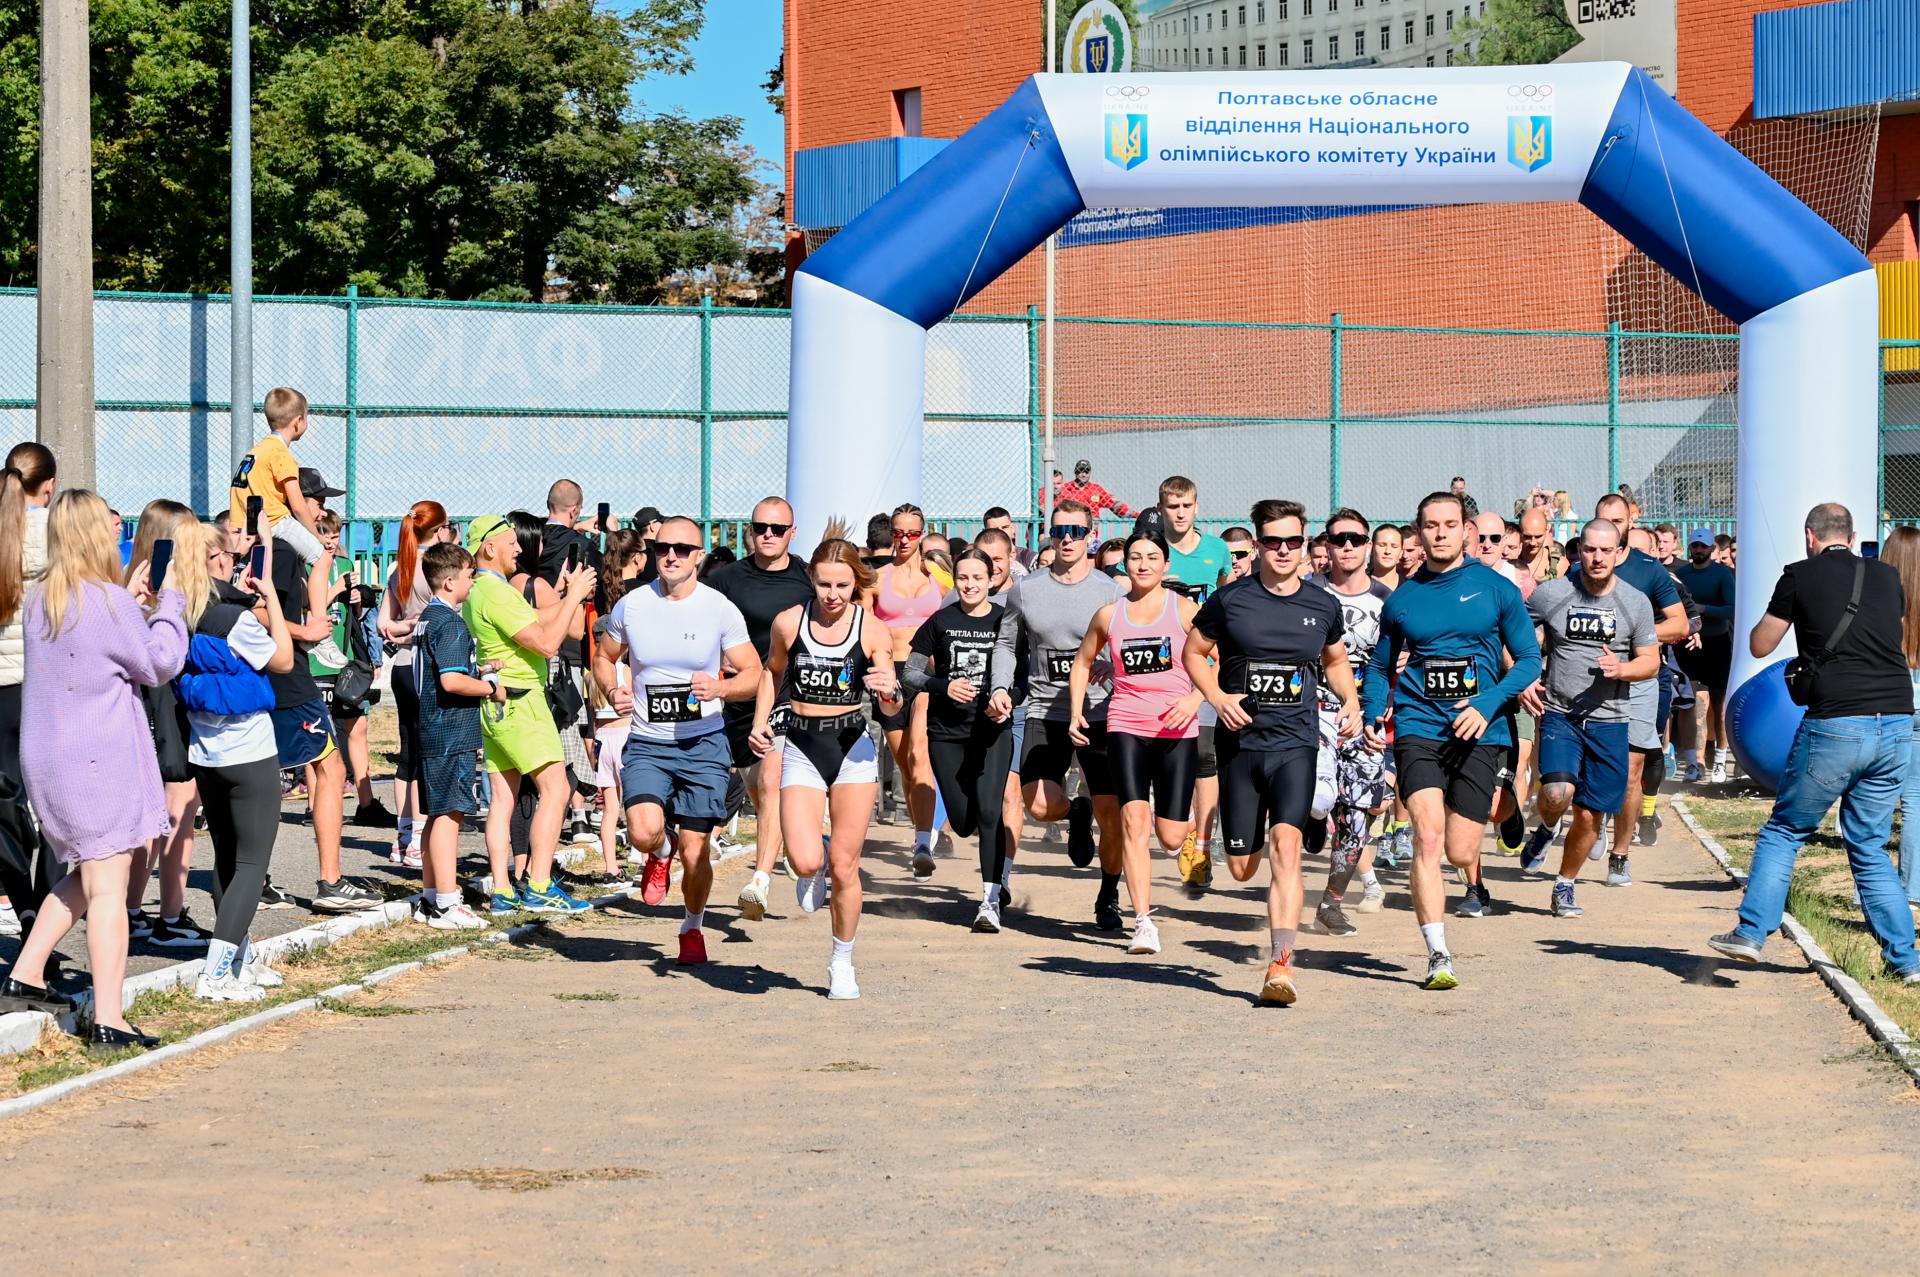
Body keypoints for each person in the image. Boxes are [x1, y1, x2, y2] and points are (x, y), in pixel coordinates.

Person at [0, 490, 187, 1050]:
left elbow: (93, 650)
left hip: (50, 759)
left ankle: (26, 972)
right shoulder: (106, 602)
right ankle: (110, 1018)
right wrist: (169, 602)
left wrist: (129, 602)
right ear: (93, 535)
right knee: (108, 889)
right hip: (95, 758)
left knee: (85, 873)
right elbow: (159, 663)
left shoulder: (43, 601)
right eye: (110, 527)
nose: (116, 534)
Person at [1709, 503, 1920, 980]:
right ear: (1853, 534)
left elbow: (1760, 645)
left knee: (1785, 831)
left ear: (1810, 536)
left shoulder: (1798, 575)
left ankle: (1750, 934)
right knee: (1868, 843)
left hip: (1837, 723)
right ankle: (1906, 961)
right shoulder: (1887, 577)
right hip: (1895, 722)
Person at [1362, 490, 1541, 991]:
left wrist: (1486, 704)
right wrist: (1377, 711)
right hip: (1420, 725)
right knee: (1428, 835)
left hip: (1482, 730)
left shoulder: (1496, 588)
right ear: (1418, 533)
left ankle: (1508, 807)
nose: (1439, 533)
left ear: (1465, 530)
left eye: (1449, 524)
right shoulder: (1401, 599)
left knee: (1463, 852)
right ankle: (1438, 953)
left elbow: (1528, 659)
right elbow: (1379, 667)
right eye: (1430, 526)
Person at [1185, 499, 1359, 1004]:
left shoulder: (1322, 605)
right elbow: (1192, 653)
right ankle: (1223, 836)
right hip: (1240, 745)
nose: (1284, 550)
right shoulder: (1230, 600)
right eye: (1273, 541)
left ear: (1306, 545)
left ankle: (1280, 967)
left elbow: (1335, 659)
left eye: (1294, 541)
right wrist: (1216, 696)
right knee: (1243, 868)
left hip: (1296, 742)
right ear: (1257, 544)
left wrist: (1349, 698)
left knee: (1287, 848)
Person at [594, 516, 760, 965]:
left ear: (699, 557)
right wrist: (613, 689)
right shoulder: (632, 606)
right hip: (649, 742)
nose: (671, 555)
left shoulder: (719, 608)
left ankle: (692, 926)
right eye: (664, 547)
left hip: (703, 743)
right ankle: (658, 851)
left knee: (696, 850)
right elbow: (604, 657)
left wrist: (721, 688)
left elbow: (753, 673)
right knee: (644, 831)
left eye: (683, 549)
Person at [754, 534, 902, 999]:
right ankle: (810, 868)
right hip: (800, 741)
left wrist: (888, 688)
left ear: (856, 584)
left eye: (842, 586)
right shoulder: (788, 623)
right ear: (811, 581)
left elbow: (892, 704)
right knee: (805, 860)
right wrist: (762, 722)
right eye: (823, 585)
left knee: (845, 864)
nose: (832, 596)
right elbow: (771, 672)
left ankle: (842, 961)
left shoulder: (872, 629)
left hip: (852, 748)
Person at [988, 499, 1130, 931]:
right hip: (1045, 708)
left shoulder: (1111, 591)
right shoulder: (1026, 590)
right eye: (1059, 530)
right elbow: (1007, 645)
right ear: (1049, 534)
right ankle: (1074, 812)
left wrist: (1114, 667)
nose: (1067, 537)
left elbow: (1131, 643)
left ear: (1092, 535)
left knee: (1113, 813)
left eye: (1075, 530)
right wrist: (999, 685)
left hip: (1099, 710)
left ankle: (1108, 894)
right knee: (1039, 805)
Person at [172, 521, 297, 999]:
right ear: (216, 560)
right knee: (251, 863)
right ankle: (217, 973)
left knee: (226, 856)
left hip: (205, 752)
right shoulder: (235, 619)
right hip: (248, 752)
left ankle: (240, 957)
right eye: (227, 555)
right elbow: (282, 660)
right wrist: (272, 600)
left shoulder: (176, 613)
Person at [1069, 530, 1202, 956]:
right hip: (1125, 723)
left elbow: (1218, 661)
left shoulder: (1184, 611)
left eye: (1152, 557)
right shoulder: (1110, 615)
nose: (1143, 564)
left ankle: (1190, 828)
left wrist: (1194, 698)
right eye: (1135, 557)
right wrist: (1076, 711)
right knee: (1132, 822)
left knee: (1168, 835)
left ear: (1165, 565)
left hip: (1176, 729)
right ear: (1124, 564)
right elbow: (1082, 661)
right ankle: (1144, 922)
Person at [1517, 520, 1659, 917]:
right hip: (1562, 713)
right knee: (1557, 794)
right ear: (1579, 551)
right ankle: (1546, 828)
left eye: (1605, 551)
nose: (1597, 558)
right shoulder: (1552, 594)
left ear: (1619, 553)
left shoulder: (1635, 603)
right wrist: (1526, 674)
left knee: (1590, 813)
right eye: (1590, 550)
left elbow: (1650, 661)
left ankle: (1565, 884)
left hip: (1611, 720)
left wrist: (1623, 670)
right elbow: (1515, 632)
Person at [463, 513, 596, 916]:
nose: (519, 548)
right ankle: (539, 883)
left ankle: (503, 890)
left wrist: (559, 594)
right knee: (557, 790)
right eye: (510, 542)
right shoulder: (497, 592)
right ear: (489, 547)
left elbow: (532, 622)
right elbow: (545, 644)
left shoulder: (480, 591)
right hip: (522, 702)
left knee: (502, 799)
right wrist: (574, 598)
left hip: (498, 704)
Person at [707, 499, 815, 919]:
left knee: (771, 783)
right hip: (735, 694)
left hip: (786, 693)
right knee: (755, 789)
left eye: (777, 527)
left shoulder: (807, 579)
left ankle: (761, 880)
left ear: (792, 531)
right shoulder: (725, 580)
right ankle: (789, 839)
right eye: (760, 527)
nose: (768, 534)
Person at [907, 549, 1015, 931]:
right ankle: (988, 885)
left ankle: (990, 900)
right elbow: (911, 674)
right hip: (946, 734)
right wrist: (943, 685)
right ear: (956, 580)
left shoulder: (1006, 621)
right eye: (963, 578)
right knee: (964, 821)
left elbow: (1023, 676)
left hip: (991, 731)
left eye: (978, 578)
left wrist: (1007, 699)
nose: (970, 585)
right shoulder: (939, 621)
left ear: (991, 580)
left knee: (989, 812)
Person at [122, 499, 210, 949]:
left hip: (162, 709)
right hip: (162, 708)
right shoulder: (150, 598)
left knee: (166, 817)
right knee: (175, 813)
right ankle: (165, 916)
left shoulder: (131, 590)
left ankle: (137, 912)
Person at [1591, 492, 1690, 885]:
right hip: (1594, 680)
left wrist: (1637, 638)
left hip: (1642, 677)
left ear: (1629, 524)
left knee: (1632, 769)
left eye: (1617, 522)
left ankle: (1621, 854)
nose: (1610, 529)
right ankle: (1594, 822)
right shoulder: (1582, 566)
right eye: (1603, 521)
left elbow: (1680, 624)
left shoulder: (1649, 570)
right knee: (1596, 764)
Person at [1309, 508, 1395, 931]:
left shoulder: (1387, 599)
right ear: (1326, 544)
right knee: (1317, 798)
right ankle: (1309, 822)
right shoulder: (1306, 592)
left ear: (1368, 546)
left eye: (1356, 539)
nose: (1346, 546)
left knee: (1359, 814)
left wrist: (1384, 707)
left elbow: (1402, 660)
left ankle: (1331, 902)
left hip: (1367, 715)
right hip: (1312, 710)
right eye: (1338, 539)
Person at [408, 542, 492, 931]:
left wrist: (483, 666)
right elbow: (452, 680)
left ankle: (430, 895)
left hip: (430, 727)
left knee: (437, 814)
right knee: (449, 815)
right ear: (448, 582)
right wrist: (492, 688)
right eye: (469, 576)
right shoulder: (452, 623)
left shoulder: (428, 618)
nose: (473, 582)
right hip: (450, 731)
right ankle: (446, 901)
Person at [1155, 476, 1231, 895]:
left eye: (1186, 505)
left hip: (1202, 664)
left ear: (1197, 506)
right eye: (1172, 506)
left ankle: (1201, 846)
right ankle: (1177, 827)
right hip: (1156, 670)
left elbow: (1225, 600)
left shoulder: (1216, 550)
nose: (1180, 513)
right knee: (1166, 754)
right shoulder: (1151, 547)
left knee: (1205, 756)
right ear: (1161, 508)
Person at [869, 503, 948, 876]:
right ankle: (925, 828)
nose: (903, 540)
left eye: (912, 534)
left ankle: (922, 841)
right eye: (897, 533)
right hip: (890, 673)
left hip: (927, 673)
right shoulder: (877, 578)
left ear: (922, 535)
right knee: (903, 761)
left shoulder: (939, 578)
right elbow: (864, 627)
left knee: (920, 753)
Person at [378, 500, 453, 871]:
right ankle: (418, 838)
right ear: (438, 529)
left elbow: (384, 623)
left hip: (401, 667)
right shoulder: (439, 568)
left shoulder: (399, 566)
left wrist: (402, 627)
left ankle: (403, 836)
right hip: (427, 666)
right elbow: (441, 616)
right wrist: (415, 626)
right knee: (426, 754)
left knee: (406, 753)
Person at [0, 443, 54, 941]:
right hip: (35, 681)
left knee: (6, 795)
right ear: (50, 486)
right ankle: (40, 906)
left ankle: (17, 900)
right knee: (49, 794)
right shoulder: (52, 533)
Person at [229, 386, 327, 565]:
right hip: (275, 521)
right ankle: (319, 595)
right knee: (322, 559)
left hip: (248, 523)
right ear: (298, 421)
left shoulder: (256, 452)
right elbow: (298, 506)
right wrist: (316, 536)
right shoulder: (281, 454)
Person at [1673, 527, 1737, 784]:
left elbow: (1732, 609)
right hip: (1688, 644)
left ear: (1712, 549)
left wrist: (1702, 609)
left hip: (1717, 642)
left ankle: (1720, 759)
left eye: (1703, 547)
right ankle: (1695, 761)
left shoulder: (1722, 574)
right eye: (1695, 546)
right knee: (1692, 701)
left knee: (1719, 702)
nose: (1698, 551)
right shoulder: (1682, 574)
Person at [1884, 527, 1920, 913]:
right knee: (1916, 803)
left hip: (1888, 705)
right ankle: (1911, 890)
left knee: (1873, 803)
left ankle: (1874, 892)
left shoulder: (1877, 597)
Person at [1518, 507, 1564, 584]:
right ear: (1519, 532)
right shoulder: (1508, 559)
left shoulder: (1558, 564)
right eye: (1527, 537)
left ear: (1547, 531)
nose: (1533, 543)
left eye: (1538, 536)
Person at [983, 506, 1034, 573]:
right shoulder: (979, 558)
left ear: (1012, 529)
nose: (1001, 532)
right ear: (984, 533)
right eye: (995, 529)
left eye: (1005, 527)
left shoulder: (1029, 558)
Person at [1370, 523, 1403, 590]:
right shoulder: (1358, 586)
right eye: (1382, 545)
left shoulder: (1410, 589)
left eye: (1394, 546)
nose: (1387, 551)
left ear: (1401, 552)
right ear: (1372, 548)